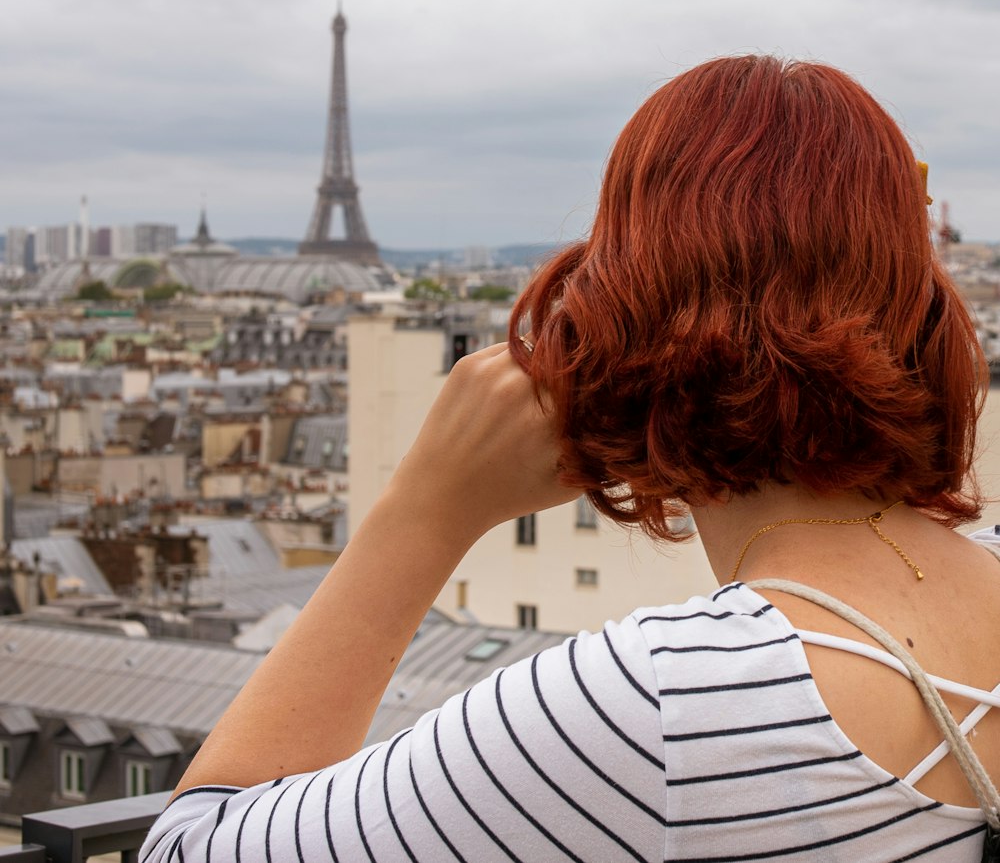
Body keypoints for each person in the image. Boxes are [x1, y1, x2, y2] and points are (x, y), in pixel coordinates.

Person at [141, 55, 1000, 862]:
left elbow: (187, 849)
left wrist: (425, 512)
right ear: (920, 297)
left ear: (621, 302)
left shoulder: (657, 707)